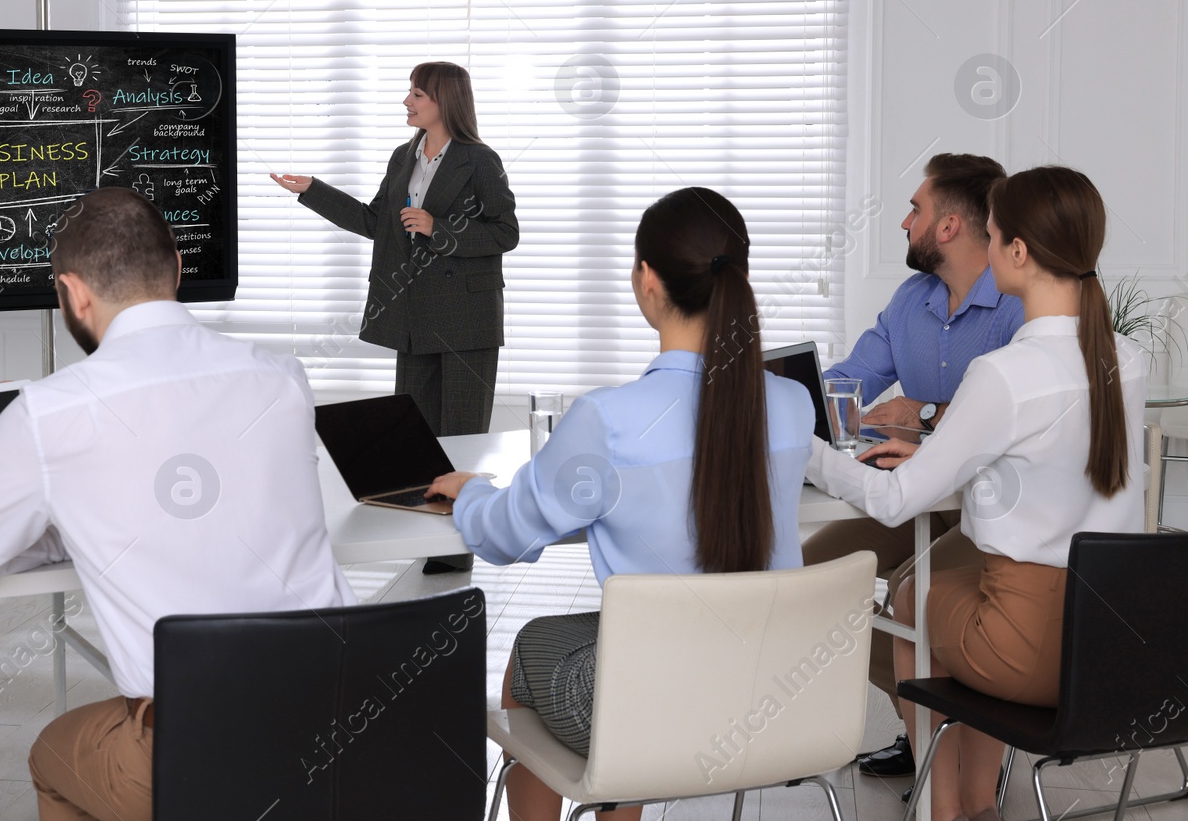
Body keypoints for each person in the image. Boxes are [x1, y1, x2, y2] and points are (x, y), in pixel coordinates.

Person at [0, 187, 354, 821]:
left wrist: (45, 520)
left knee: (51, 756)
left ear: (73, 291)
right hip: (346, 719)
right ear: (177, 266)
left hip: (204, 753)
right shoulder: (281, 377)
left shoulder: (50, 411)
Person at [427, 187, 815, 821]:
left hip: (656, 712)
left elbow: (506, 535)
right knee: (616, 646)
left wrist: (472, 492)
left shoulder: (607, 420)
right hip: (771, 699)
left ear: (648, 281)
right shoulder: (793, 406)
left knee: (532, 647)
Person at [809, 165, 1145, 821]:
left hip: (1024, 648)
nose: (986, 249)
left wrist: (806, 450)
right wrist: (952, 452)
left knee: (914, 601)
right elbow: (1047, 460)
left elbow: (892, 501)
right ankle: (976, 805)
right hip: (1109, 647)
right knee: (935, 593)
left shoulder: (1006, 371)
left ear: (1017, 252)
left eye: (994, 236)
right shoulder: (1125, 358)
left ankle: (948, 807)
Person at [804, 153, 1025, 778]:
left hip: (990, 509)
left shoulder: (1016, 307)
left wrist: (926, 412)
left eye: (916, 209)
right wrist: (785, 400)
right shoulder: (912, 300)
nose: (905, 222)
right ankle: (920, 716)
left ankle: (954, 741)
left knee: (911, 587)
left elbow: (1019, 414)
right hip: (920, 494)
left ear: (949, 226)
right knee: (810, 578)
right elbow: (848, 379)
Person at [272, 60, 519, 437]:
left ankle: (467, 500)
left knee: (462, 440)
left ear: (445, 101)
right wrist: (312, 191)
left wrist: (438, 228)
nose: (406, 101)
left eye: (417, 94)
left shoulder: (480, 160)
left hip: (467, 321)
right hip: (414, 315)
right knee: (414, 440)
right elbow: (376, 222)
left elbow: (506, 232)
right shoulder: (404, 156)